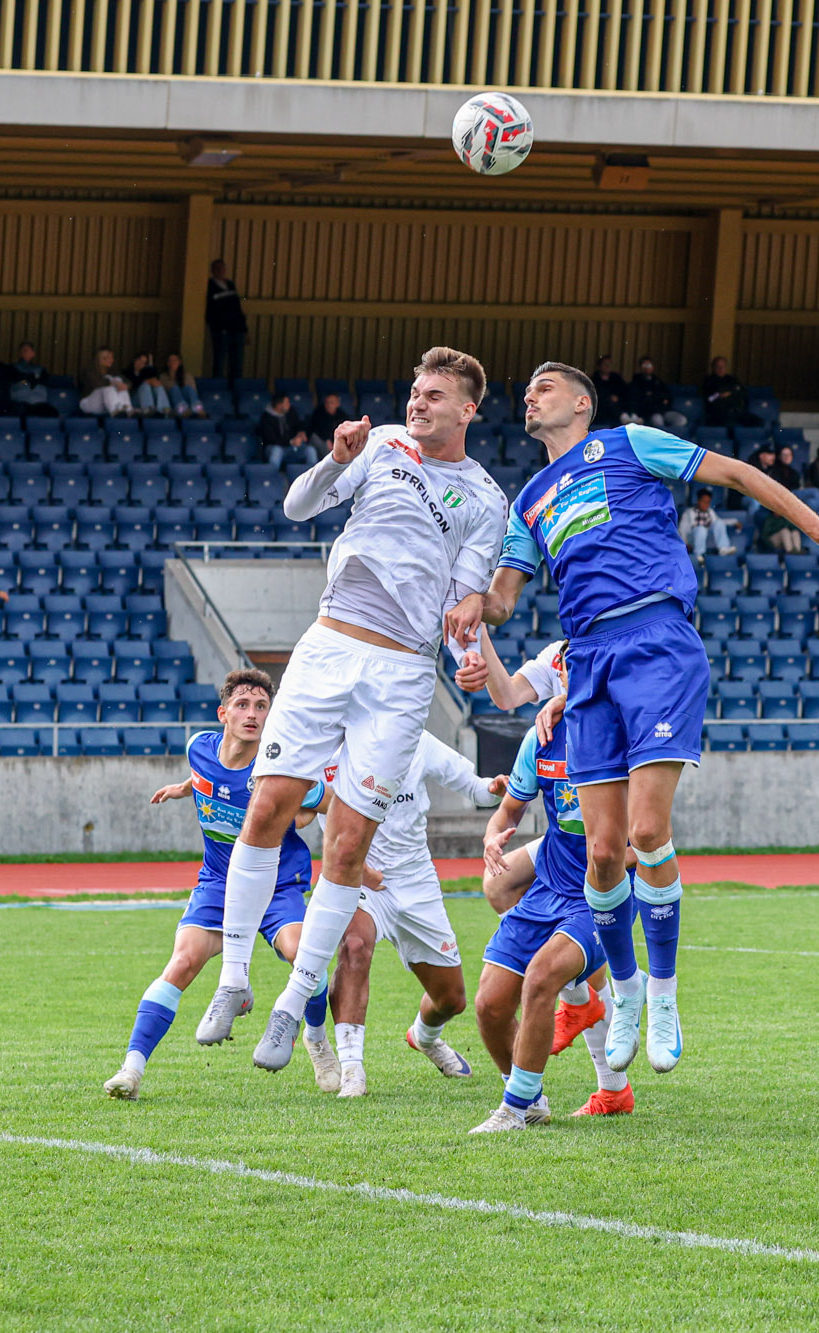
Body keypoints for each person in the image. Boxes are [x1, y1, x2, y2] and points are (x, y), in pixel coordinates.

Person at [478, 361, 819, 1074]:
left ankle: (662, 993)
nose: (530, 397)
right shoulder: (529, 500)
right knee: (604, 852)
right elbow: (501, 602)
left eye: (545, 387)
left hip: (656, 643)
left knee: (645, 831)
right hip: (588, 660)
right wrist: (458, 600)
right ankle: (626, 987)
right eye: (528, 390)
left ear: (581, 403)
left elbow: (737, 475)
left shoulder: (630, 442)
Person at [196, 348, 508, 1072]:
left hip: (401, 674)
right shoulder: (379, 444)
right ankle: (235, 978)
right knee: (266, 809)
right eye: (415, 391)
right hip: (329, 647)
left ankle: (291, 1002)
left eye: (434, 395)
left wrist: (470, 629)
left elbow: (464, 598)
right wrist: (335, 459)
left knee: (346, 847)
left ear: (467, 410)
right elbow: (297, 506)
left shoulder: (487, 500)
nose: (417, 402)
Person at [104, 669, 331, 1101]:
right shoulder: (198, 748)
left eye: (261, 707)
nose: (252, 714)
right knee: (182, 962)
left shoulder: (280, 768)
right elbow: (210, 778)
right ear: (223, 714)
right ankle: (131, 1070)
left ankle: (317, 1040)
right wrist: (185, 787)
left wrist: (314, 818)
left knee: (304, 956)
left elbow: (329, 802)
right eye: (242, 705)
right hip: (218, 883)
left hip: (277, 885)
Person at [468, 672, 618, 1132]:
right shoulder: (542, 736)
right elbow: (507, 812)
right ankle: (531, 1100)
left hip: (599, 895)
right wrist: (492, 838)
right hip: (547, 887)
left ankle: (514, 1110)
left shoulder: (624, 731)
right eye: (571, 667)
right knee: (490, 1005)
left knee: (540, 978)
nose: (580, 674)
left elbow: (647, 836)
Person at [325, 731, 504, 1097]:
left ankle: (424, 1037)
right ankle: (352, 1069)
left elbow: (475, 788)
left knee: (451, 1000)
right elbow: (314, 811)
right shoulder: (328, 748)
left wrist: (495, 789)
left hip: (416, 881)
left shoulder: (415, 739)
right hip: (361, 876)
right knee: (354, 946)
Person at [205, 259, 247, 386]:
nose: (220, 271)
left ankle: (235, 388)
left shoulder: (230, 284)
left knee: (237, 362)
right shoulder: (210, 285)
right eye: (217, 268)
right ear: (212, 271)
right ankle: (218, 389)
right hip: (221, 330)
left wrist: (244, 329)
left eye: (222, 268)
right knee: (220, 361)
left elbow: (238, 307)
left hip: (237, 329)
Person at [628, 357, 685, 431]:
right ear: (640, 367)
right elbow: (642, 400)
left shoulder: (658, 381)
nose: (647, 368)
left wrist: (656, 397)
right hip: (651, 413)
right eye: (644, 365)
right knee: (658, 422)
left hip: (664, 411)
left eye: (649, 365)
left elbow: (667, 396)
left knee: (681, 420)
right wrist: (657, 398)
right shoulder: (636, 382)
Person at [257, 392, 312, 469]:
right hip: (274, 447)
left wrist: (301, 432)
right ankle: (271, 474)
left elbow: (298, 425)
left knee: (310, 450)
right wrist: (291, 441)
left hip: (291, 447)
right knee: (277, 450)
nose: (289, 405)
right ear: (279, 405)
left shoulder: (290, 412)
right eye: (287, 403)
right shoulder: (266, 418)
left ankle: (314, 475)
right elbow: (271, 439)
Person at [676, 488, 735, 558]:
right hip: (693, 539)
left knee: (719, 523)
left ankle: (723, 549)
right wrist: (685, 543)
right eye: (704, 501)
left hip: (706, 539)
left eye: (708, 502)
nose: (706, 504)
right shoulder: (688, 513)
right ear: (698, 501)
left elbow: (721, 522)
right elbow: (682, 530)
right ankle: (699, 554)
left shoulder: (710, 512)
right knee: (701, 529)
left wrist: (734, 521)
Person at [77, 347, 133, 417]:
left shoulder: (112, 370)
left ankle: (128, 410)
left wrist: (125, 385)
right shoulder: (89, 371)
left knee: (119, 381)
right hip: (89, 404)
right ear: (99, 359)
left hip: (105, 405)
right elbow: (96, 383)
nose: (111, 360)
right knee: (108, 386)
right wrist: (113, 383)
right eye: (107, 358)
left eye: (111, 358)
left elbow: (127, 381)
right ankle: (115, 411)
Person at [700, 356, 749, 428]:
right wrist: (719, 395)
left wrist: (731, 393)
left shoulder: (732, 379)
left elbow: (742, 392)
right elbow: (709, 399)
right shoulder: (708, 381)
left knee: (757, 422)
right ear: (713, 367)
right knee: (728, 422)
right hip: (717, 412)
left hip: (735, 410)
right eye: (718, 367)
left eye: (723, 367)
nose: (720, 369)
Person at [6, 341, 52, 416]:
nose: (25, 352)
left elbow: (44, 381)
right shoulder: (13, 367)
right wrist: (27, 382)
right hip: (20, 402)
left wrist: (29, 380)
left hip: (38, 403)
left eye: (27, 350)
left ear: (33, 353)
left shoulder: (40, 369)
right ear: (20, 353)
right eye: (23, 350)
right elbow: (18, 380)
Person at [154, 352, 204, 417]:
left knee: (188, 388)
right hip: (172, 403)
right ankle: (182, 409)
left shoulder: (187, 376)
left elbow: (193, 392)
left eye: (175, 360)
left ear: (179, 362)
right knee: (174, 389)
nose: (172, 363)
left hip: (188, 403)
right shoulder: (162, 377)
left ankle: (198, 409)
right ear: (167, 363)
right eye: (170, 361)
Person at [592, 355, 630, 424]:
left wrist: (618, 397)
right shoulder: (595, 379)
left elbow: (625, 390)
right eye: (605, 364)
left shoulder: (616, 377)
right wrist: (609, 397)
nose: (607, 366)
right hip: (602, 406)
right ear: (599, 366)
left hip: (618, 403)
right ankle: (623, 417)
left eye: (609, 364)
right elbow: (596, 394)